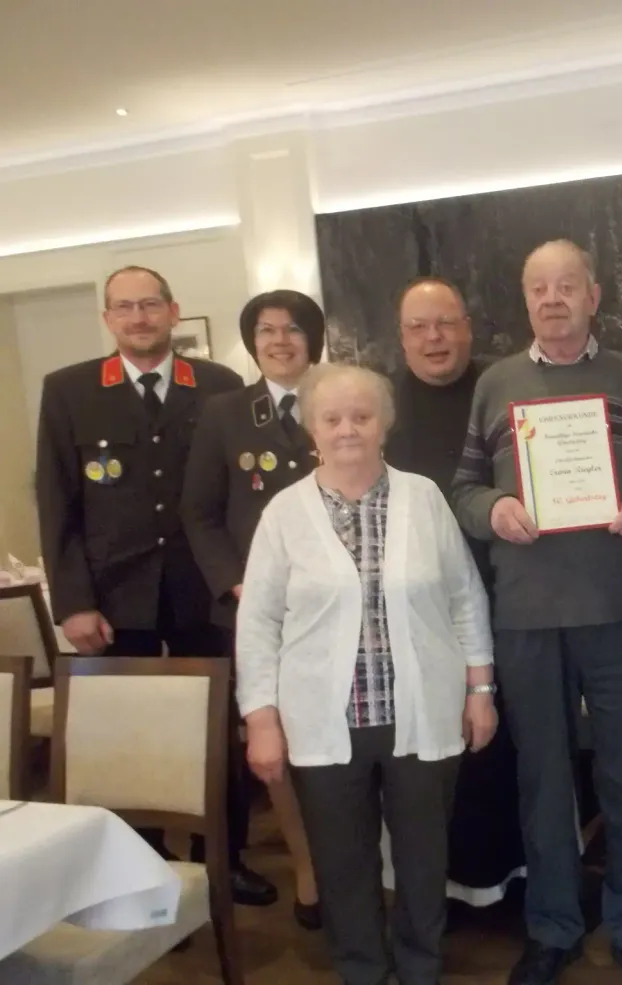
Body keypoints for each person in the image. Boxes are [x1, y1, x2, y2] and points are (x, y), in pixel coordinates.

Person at [451, 239, 622, 985]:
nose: (553, 299)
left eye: (567, 286)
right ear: (526, 300)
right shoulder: (496, 384)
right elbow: (464, 488)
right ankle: (553, 925)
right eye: (539, 288)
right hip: (527, 614)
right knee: (543, 780)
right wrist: (494, 508)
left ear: (593, 296)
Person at [236, 363, 497, 985]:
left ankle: (420, 968)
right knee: (342, 864)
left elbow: (466, 598)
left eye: (362, 416)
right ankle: (362, 971)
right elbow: (258, 623)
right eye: (332, 418)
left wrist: (481, 691)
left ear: (385, 424)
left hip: (423, 713)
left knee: (423, 859)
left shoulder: (423, 498)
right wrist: (261, 719)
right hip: (323, 723)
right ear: (312, 429)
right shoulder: (284, 513)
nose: (347, 429)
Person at [34, 264, 274, 906]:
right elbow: (57, 502)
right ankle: (138, 864)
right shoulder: (69, 389)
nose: (138, 318)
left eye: (149, 305)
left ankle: (222, 858)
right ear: (108, 318)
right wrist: (73, 602)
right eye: (124, 307)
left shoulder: (218, 384)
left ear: (173, 310)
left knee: (217, 728)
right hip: (114, 595)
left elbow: (235, 496)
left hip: (205, 588)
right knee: (124, 734)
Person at [181, 289, 326, 928]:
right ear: (252, 342)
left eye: (293, 329)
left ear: (314, 338)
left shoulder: (339, 397)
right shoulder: (225, 413)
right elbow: (200, 512)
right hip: (258, 615)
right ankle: (307, 870)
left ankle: (362, 862)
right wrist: (237, 584)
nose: (280, 340)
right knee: (279, 747)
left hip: (334, 609)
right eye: (266, 330)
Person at [387, 276, 525, 908]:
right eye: (419, 327)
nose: (434, 338)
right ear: (402, 338)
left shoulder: (504, 389)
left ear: (468, 328)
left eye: (445, 323)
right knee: (436, 755)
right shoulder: (383, 407)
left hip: (509, 595)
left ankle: (514, 880)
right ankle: (440, 890)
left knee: (507, 750)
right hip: (419, 613)